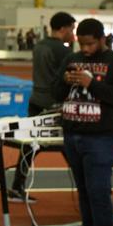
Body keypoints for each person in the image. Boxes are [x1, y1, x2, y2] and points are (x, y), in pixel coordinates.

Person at [54, 18, 113, 226]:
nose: (85, 49)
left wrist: (92, 84)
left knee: (99, 192)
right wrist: (65, 82)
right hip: (73, 134)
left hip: (101, 136)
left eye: (90, 44)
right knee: (85, 191)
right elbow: (54, 94)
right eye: (81, 44)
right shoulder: (71, 59)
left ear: (102, 39)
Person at [8, 11, 75, 203]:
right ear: (63, 28)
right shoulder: (64, 51)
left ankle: (16, 186)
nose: (73, 33)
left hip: (36, 99)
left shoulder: (39, 45)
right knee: (68, 145)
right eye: (72, 28)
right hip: (53, 104)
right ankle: (85, 185)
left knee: (30, 146)